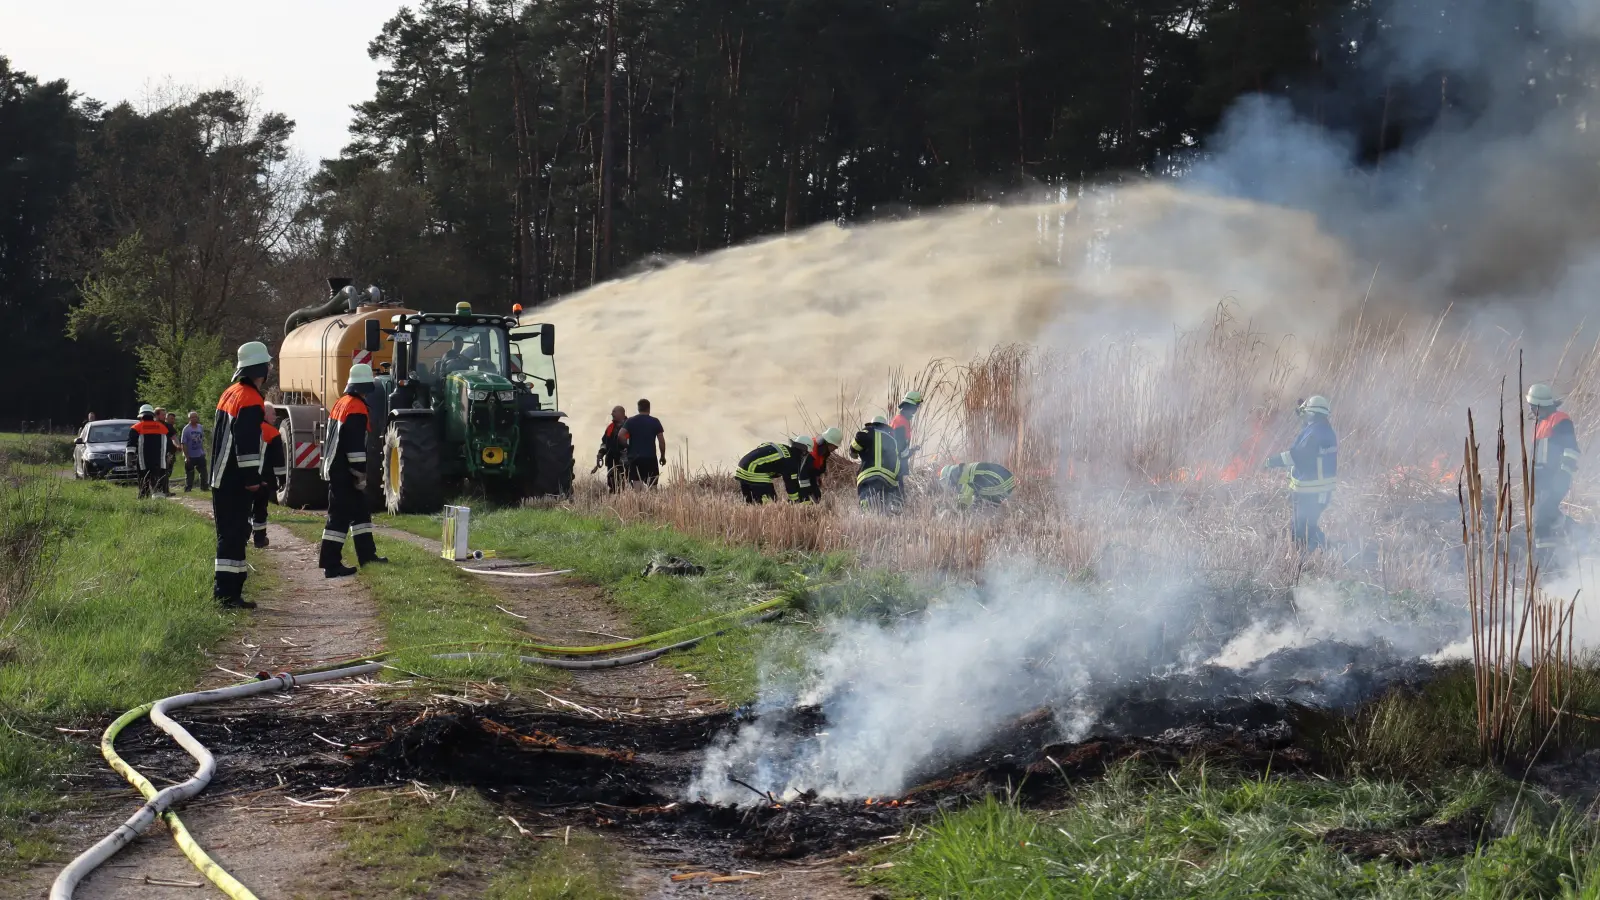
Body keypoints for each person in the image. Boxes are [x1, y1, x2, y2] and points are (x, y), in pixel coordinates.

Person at [212, 343, 270, 609]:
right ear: (261, 369)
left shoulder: (230, 393)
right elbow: (245, 444)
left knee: (231, 535)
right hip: (234, 480)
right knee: (233, 536)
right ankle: (225, 595)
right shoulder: (250, 399)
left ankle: (230, 594)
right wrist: (251, 480)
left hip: (221, 478)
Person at [319, 363, 388, 577]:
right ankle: (331, 564)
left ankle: (368, 555)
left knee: (360, 515)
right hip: (345, 473)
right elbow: (355, 446)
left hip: (337, 469)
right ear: (365, 387)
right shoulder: (357, 408)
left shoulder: (342, 403)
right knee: (339, 518)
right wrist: (359, 475)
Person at [1264, 395, 1338, 552]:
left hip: (1312, 493)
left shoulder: (1314, 434)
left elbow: (1296, 455)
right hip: (1315, 492)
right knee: (1301, 528)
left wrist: (1270, 462)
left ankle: (1325, 552)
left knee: (1304, 530)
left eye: (1307, 413)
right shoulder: (1323, 430)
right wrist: (1302, 412)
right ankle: (1311, 556)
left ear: (1311, 414)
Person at [1527, 383, 1582, 569]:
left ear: (1540, 405)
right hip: (1544, 483)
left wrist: (1563, 474)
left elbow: (1571, 449)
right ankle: (1551, 561)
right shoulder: (1540, 425)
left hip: (1557, 479)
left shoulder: (1560, 419)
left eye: (1533, 406)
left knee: (1543, 516)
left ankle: (1546, 560)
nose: (1531, 410)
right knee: (1545, 517)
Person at [251, 403, 288, 549]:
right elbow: (278, 461)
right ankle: (259, 539)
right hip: (263, 479)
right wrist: (282, 479)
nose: (275, 417)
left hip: (247, 477)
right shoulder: (272, 433)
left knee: (247, 508)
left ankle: (243, 536)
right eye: (273, 414)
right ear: (266, 414)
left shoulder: (250, 429)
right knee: (260, 510)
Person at [850, 415, 903, 513]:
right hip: (887, 478)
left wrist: (853, 454)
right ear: (884, 426)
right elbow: (897, 462)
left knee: (866, 498)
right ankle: (884, 517)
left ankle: (866, 516)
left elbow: (854, 446)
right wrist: (895, 481)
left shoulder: (866, 432)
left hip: (868, 475)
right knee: (884, 503)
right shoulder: (892, 440)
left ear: (872, 424)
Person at [736, 437, 802, 504]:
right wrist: (795, 500)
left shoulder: (782, 446)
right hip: (754, 470)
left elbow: (762, 446)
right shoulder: (792, 461)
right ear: (803, 451)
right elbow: (790, 484)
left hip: (741, 467)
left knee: (749, 502)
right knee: (769, 502)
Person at [125, 404, 169, 500]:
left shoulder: (136, 428)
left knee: (143, 481)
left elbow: (131, 445)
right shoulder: (162, 427)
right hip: (159, 461)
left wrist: (129, 459)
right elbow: (166, 445)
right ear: (152, 415)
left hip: (142, 462)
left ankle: (143, 500)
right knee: (157, 482)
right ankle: (159, 502)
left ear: (141, 416)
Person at [620, 399, 667, 487]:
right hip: (650, 458)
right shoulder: (655, 421)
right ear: (649, 408)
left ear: (638, 408)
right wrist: (662, 456)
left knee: (637, 488)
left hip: (634, 458)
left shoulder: (630, 421)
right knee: (652, 487)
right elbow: (661, 441)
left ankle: (639, 501)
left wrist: (627, 446)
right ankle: (651, 501)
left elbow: (620, 435)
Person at [790, 427, 843, 503]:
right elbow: (802, 475)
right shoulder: (811, 452)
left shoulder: (823, 449)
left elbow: (817, 468)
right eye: (835, 446)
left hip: (808, 476)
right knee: (806, 500)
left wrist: (817, 477)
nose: (837, 448)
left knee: (817, 496)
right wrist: (806, 494)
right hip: (799, 478)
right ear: (829, 443)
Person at [938, 462, 1017, 509]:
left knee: (976, 501)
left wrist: (959, 510)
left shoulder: (961, 473)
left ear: (948, 476)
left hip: (1001, 482)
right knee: (978, 498)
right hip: (1006, 481)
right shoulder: (964, 469)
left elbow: (966, 497)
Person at [593, 405, 628, 491]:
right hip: (611, 461)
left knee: (626, 483)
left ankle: (625, 501)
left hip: (625, 462)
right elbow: (604, 443)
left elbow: (633, 444)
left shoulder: (629, 426)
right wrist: (600, 454)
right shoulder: (610, 427)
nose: (612, 413)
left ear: (621, 413)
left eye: (614, 412)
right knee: (612, 483)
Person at [888, 391, 924, 470]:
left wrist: (912, 449)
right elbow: (901, 452)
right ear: (912, 406)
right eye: (917, 405)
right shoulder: (900, 421)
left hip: (896, 466)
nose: (917, 408)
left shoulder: (903, 420)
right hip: (895, 468)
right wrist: (912, 450)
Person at [181, 411, 207, 491]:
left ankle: (204, 487)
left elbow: (202, 440)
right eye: (192, 417)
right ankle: (188, 488)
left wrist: (203, 451)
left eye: (195, 417)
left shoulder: (200, 427)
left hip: (200, 454)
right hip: (190, 455)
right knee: (190, 473)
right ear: (189, 419)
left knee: (203, 472)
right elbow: (183, 443)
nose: (194, 419)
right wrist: (186, 456)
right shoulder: (186, 429)